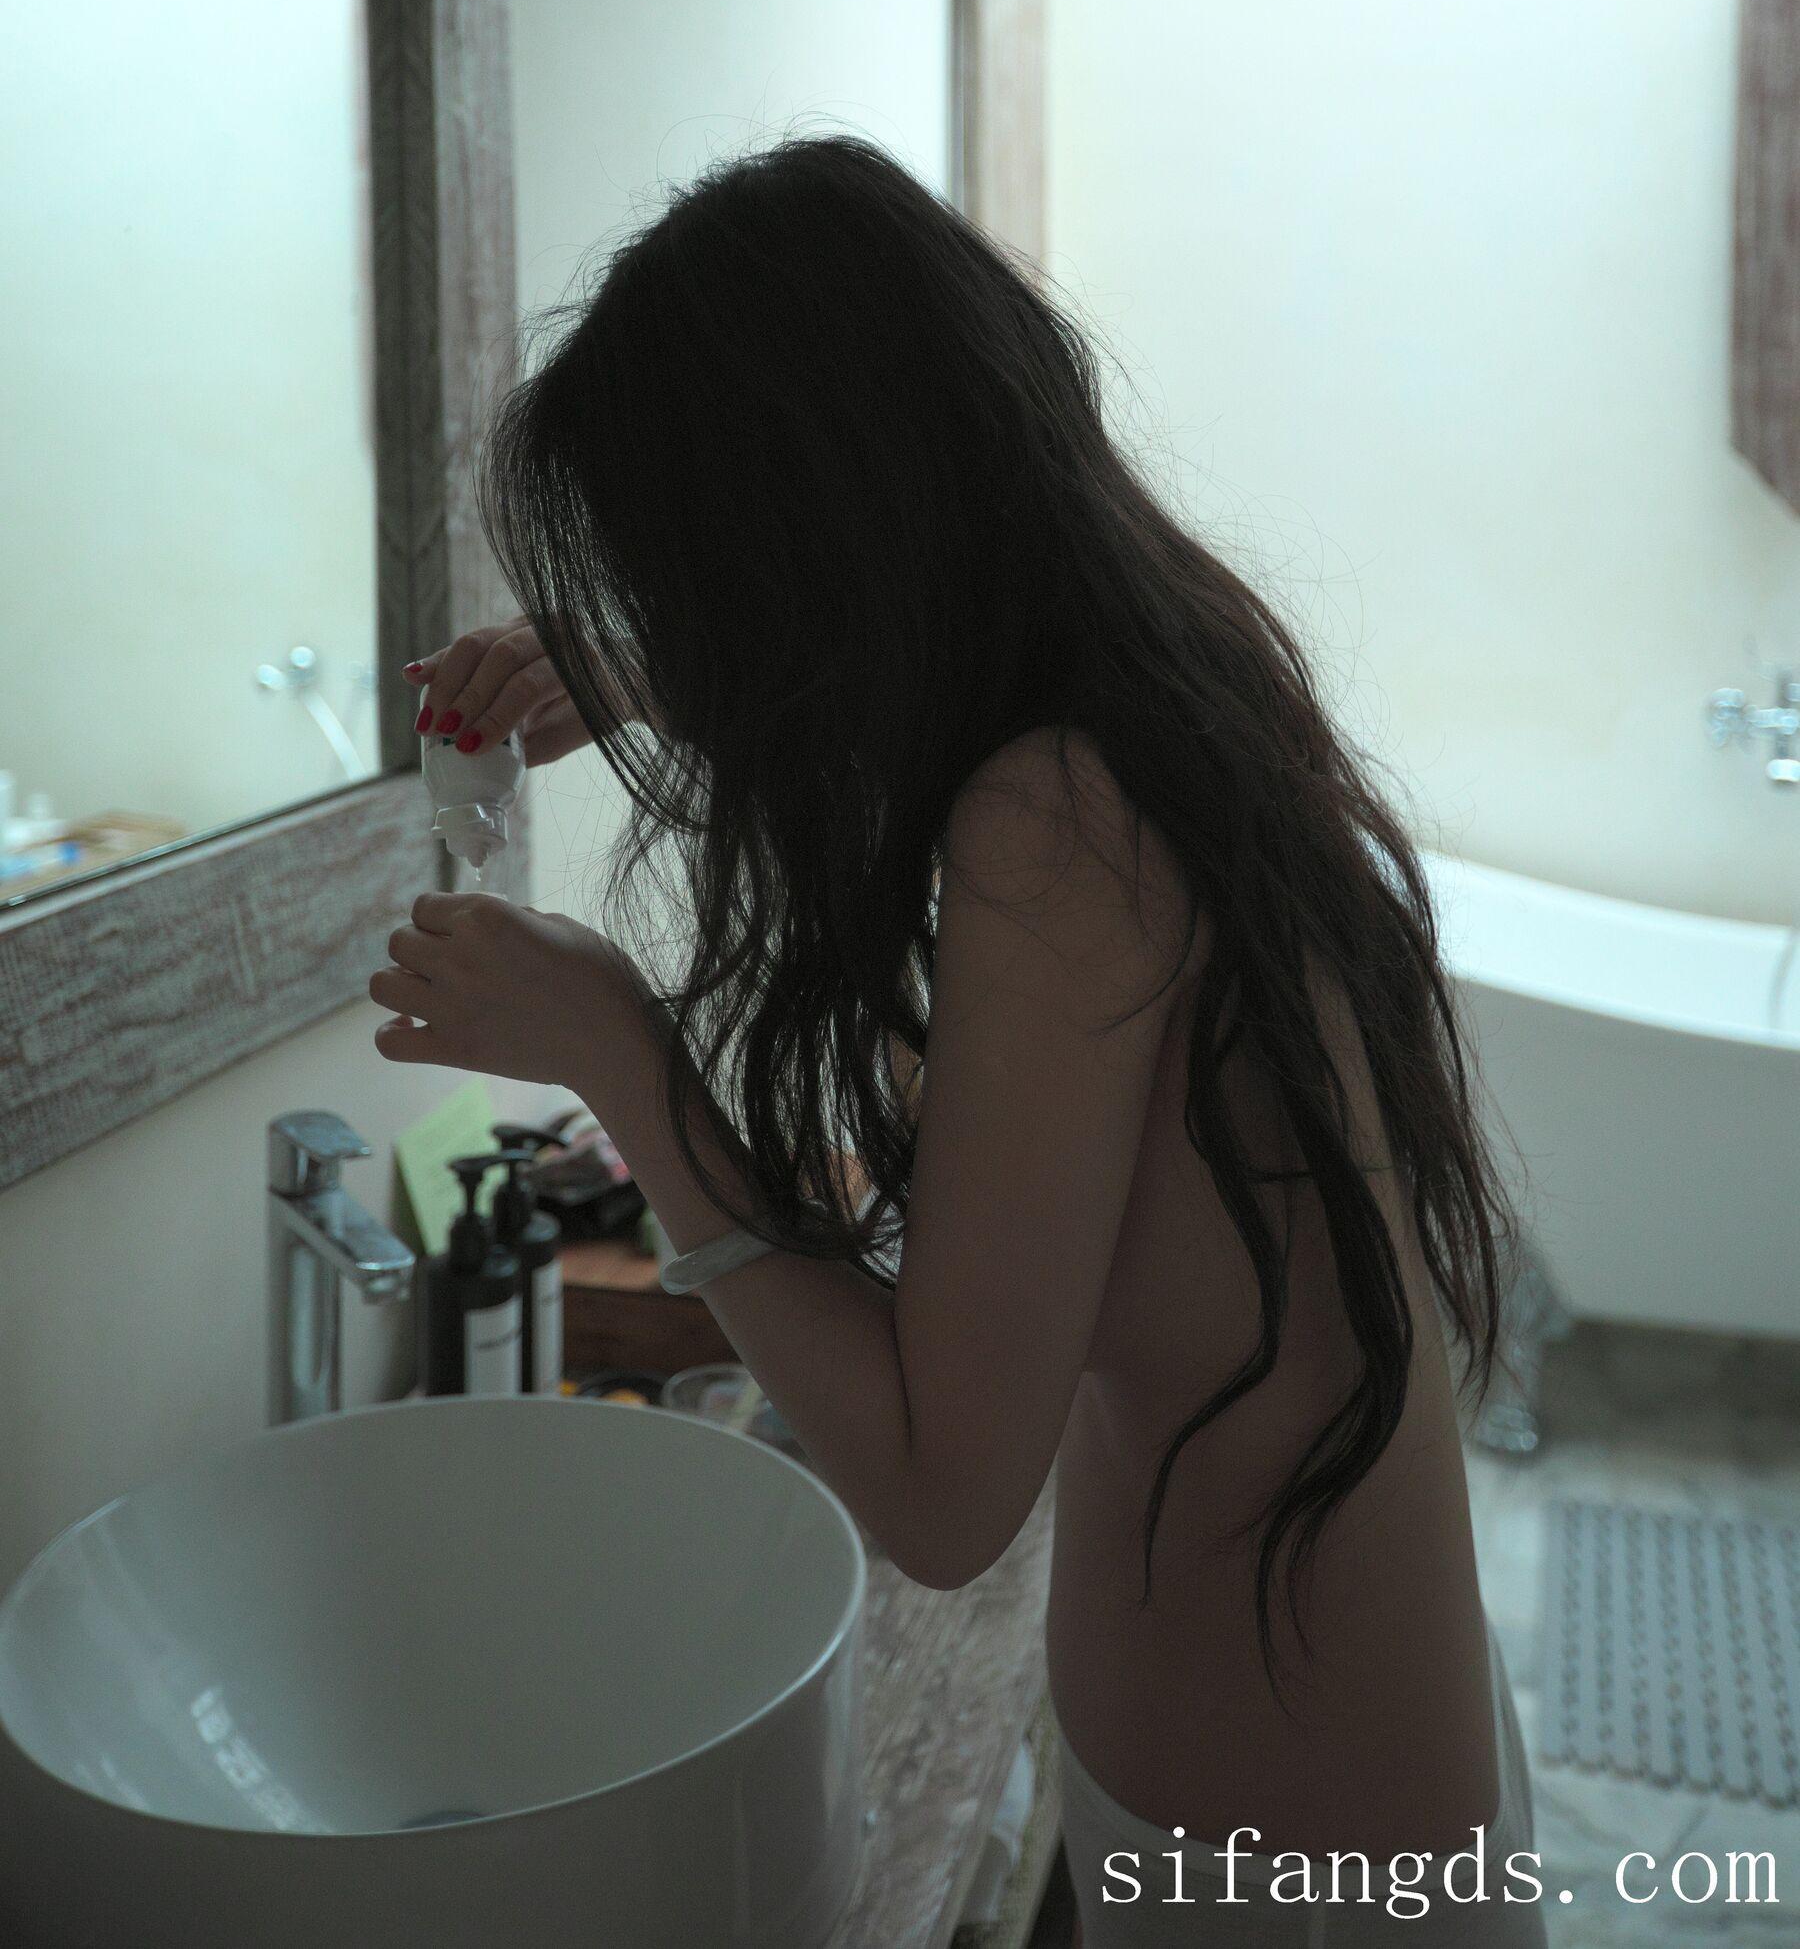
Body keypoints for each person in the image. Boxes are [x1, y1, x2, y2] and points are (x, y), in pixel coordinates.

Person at [371, 135, 1547, 1941]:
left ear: (811, 543)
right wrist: (663, 669)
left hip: (1289, 1877)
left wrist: (620, 1049)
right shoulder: (1157, 685)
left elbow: (941, 1497)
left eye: (693, 576)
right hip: (1322, 1789)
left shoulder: (1055, 827)